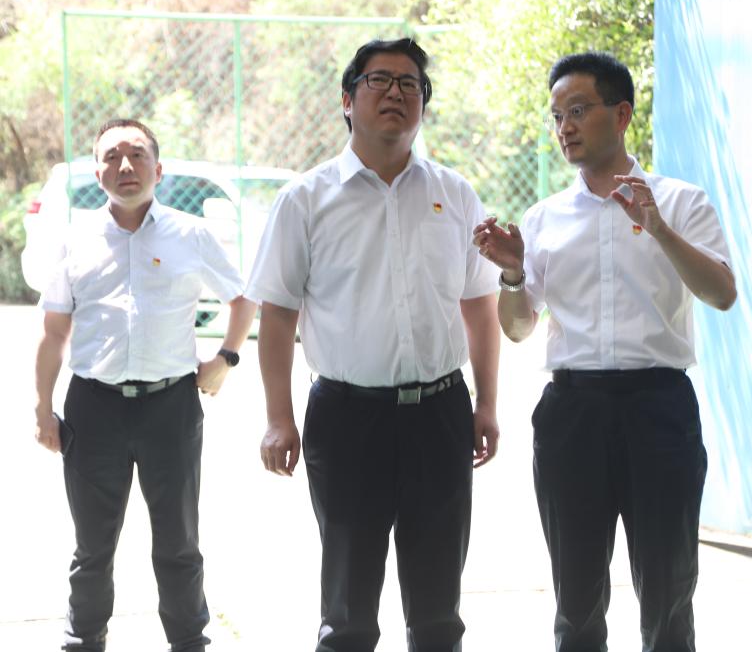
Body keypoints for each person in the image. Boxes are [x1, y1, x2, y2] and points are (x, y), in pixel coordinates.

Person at [473, 51, 736, 652]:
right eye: (556, 115)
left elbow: (722, 294)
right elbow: (518, 328)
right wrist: (512, 274)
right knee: (576, 599)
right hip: (573, 413)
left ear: (621, 115)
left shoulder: (681, 201)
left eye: (578, 110)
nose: (564, 126)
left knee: (669, 592)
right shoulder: (543, 218)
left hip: (659, 408)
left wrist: (659, 228)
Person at [246, 37, 500, 652]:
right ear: (348, 99)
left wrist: (487, 404)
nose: (395, 93)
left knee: (438, 612)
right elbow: (277, 316)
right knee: (348, 613)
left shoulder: (455, 194)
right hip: (347, 419)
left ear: (423, 104)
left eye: (410, 84)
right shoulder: (305, 199)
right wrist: (279, 417)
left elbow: (480, 305)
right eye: (379, 80)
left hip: (440, 415)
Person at [33, 118, 257, 652]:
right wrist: (42, 408)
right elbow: (54, 330)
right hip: (93, 409)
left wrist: (226, 358)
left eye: (137, 154)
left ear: (159, 168)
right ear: (97, 173)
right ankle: (83, 639)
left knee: (179, 542)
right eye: (112, 156)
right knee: (92, 545)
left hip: (170, 408)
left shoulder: (191, 234)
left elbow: (242, 298)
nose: (125, 165)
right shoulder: (76, 238)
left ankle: (188, 640)